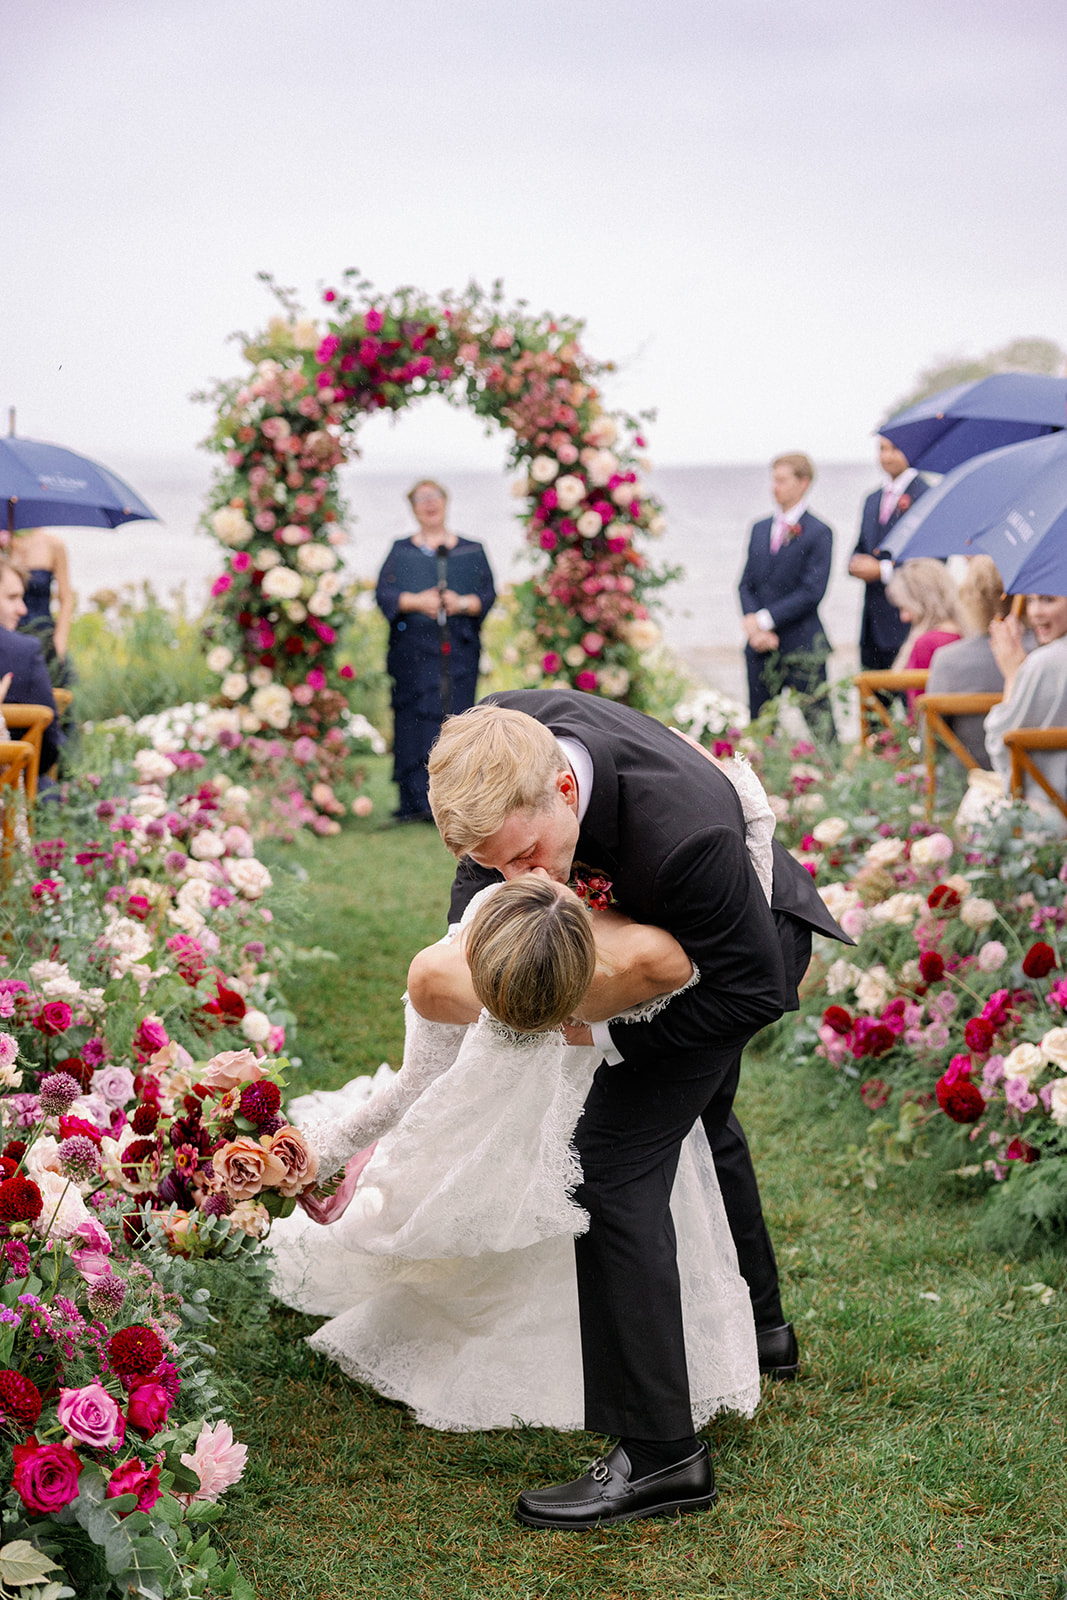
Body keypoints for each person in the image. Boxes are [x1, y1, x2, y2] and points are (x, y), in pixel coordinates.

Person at [425, 693, 846, 1529]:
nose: (521, 878)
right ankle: (764, 1331)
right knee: (702, 1122)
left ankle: (662, 1458)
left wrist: (605, 1037)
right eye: (495, 862)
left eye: (528, 856)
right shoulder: (502, 739)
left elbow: (759, 990)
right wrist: (477, 933)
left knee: (608, 1167)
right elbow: (489, 868)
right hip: (684, 927)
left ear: (565, 792)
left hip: (742, 948)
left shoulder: (681, 838)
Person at [271, 871, 763, 1450]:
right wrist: (320, 1152)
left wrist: (609, 1039)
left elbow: (719, 989)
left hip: (591, 1125)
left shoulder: (646, 962)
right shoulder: (438, 976)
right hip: (485, 1120)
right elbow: (414, 1087)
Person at [375, 481, 495, 823]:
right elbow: (384, 594)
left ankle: (456, 802)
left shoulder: (471, 550)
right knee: (412, 720)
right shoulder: (401, 550)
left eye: (434, 497)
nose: (429, 504)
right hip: (412, 655)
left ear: (446, 501)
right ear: (413, 507)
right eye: (421, 499)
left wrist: (460, 603)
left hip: (457, 653)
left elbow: (487, 595)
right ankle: (414, 801)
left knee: (456, 720)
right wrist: (417, 601)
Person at [738, 452, 837, 744]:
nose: (774, 487)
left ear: (803, 483)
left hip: (803, 644)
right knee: (760, 728)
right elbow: (745, 584)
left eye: (781, 480)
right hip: (759, 647)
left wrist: (764, 620)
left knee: (821, 727)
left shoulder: (820, 532)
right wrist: (752, 624)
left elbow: (812, 592)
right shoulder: (758, 529)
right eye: (773, 479)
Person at [984, 592, 1067, 828]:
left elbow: (1000, 749)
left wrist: (1013, 676)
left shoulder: (1046, 662)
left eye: (1048, 599)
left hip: (1049, 818)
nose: (1034, 612)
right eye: (1030, 600)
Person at [924, 556, 1015, 768]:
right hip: (1027, 780)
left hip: (964, 785)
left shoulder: (948, 661)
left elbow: (930, 743)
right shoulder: (1039, 656)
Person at [849, 438, 930, 671]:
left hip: (907, 619)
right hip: (871, 625)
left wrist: (882, 570)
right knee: (872, 701)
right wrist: (855, 563)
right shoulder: (872, 499)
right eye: (882, 449)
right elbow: (862, 545)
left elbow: (933, 559)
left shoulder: (926, 494)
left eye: (894, 448)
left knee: (909, 701)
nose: (887, 456)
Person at [0, 558, 63, 773]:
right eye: (12, 597)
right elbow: (50, 746)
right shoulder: (23, 652)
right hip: (10, 788)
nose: (23, 610)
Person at [5, 525, 74, 677]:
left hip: (43, 636)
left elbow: (66, 598)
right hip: (7, 637)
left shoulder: (54, 545)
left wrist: (59, 642)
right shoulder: (5, 544)